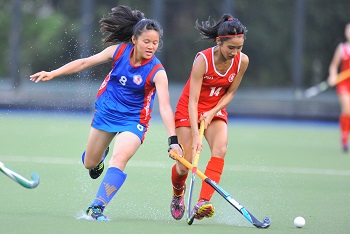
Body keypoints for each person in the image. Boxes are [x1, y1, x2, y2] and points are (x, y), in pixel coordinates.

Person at [30, 5, 182, 221]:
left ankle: (97, 207)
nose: (150, 47)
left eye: (155, 43)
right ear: (134, 40)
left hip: (134, 120)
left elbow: (165, 107)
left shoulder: (157, 71)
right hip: (107, 113)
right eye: (146, 41)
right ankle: (100, 156)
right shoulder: (118, 51)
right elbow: (85, 62)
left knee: (119, 158)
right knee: (89, 163)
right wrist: (53, 73)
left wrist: (173, 140)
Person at [169, 15, 249, 221]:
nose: (235, 52)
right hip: (190, 108)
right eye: (231, 47)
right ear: (219, 41)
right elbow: (193, 100)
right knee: (184, 163)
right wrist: (196, 136)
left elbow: (230, 93)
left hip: (215, 108)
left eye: (239, 47)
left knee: (220, 149)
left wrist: (213, 112)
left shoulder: (242, 61)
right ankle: (178, 192)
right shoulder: (202, 61)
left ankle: (203, 202)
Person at [328, 22, 350, 153]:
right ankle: (344, 138)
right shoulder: (342, 48)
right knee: (347, 110)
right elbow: (333, 66)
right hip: (343, 84)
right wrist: (332, 76)